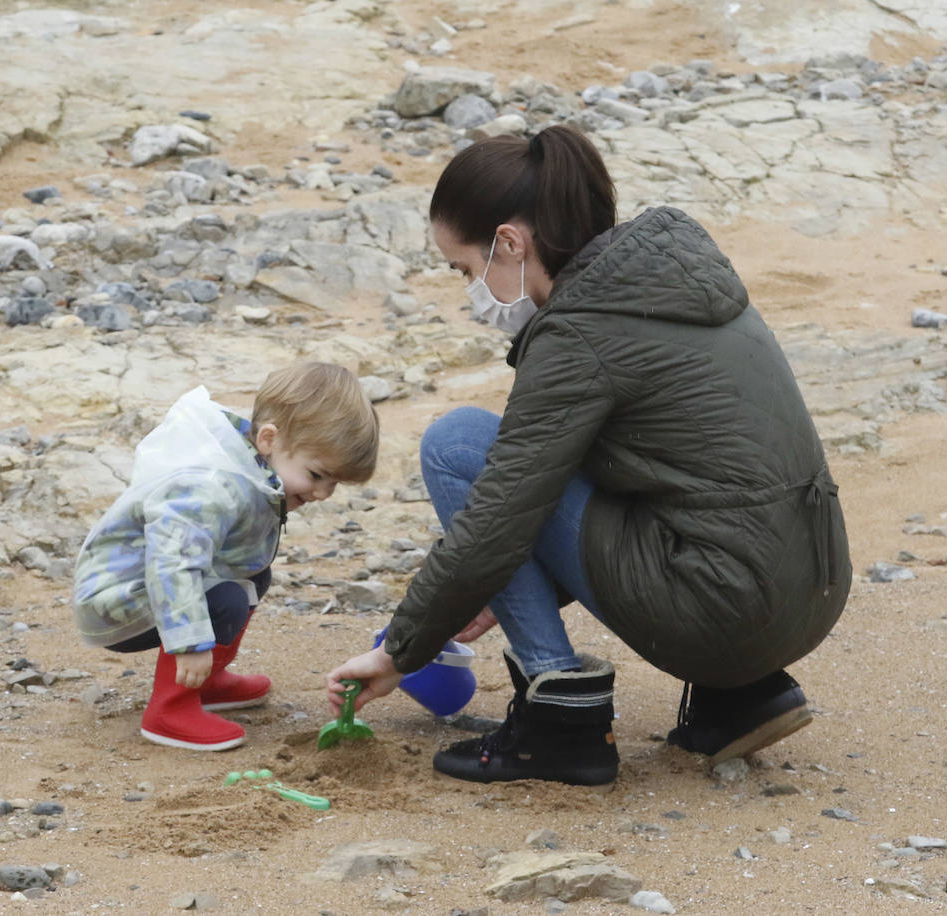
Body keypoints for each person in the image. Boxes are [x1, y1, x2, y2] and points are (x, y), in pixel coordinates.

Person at [326, 124, 850, 786]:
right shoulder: (665, 280)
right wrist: (508, 588)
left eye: (465, 269)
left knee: (458, 443)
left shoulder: (579, 334)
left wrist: (401, 653)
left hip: (727, 611)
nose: (471, 294)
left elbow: (501, 513)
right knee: (583, 469)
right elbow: (661, 475)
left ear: (511, 243)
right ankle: (738, 699)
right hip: (812, 587)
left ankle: (559, 719)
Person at [75, 362, 378, 750]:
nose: (323, 493)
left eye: (335, 483)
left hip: (153, 584)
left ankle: (207, 682)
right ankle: (169, 710)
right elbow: (173, 563)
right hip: (115, 596)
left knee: (254, 576)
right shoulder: (211, 485)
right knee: (225, 599)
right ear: (268, 439)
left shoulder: (255, 467)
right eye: (317, 475)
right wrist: (190, 643)